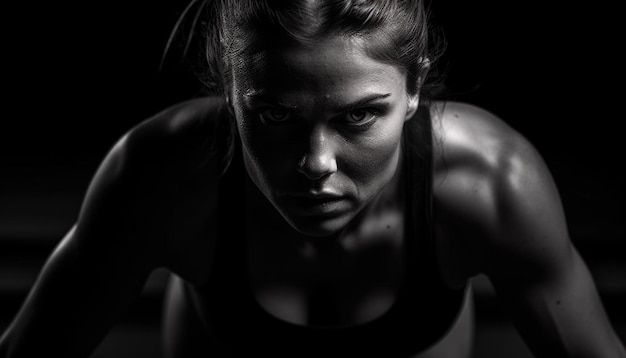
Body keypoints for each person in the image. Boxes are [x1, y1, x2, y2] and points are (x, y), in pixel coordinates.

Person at [1, 0, 624, 357]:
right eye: (274, 114)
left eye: (358, 116)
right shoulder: (159, 177)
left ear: (412, 90)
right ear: (230, 88)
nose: (316, 163)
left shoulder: (492, 184)